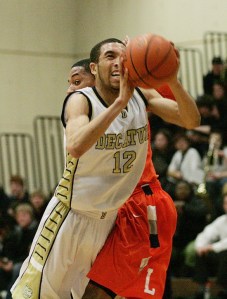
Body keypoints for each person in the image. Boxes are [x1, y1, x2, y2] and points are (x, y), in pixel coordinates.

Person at [11, 38, 200, 299]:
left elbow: (191, 120)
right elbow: (76, 146)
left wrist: (173, 80)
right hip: (73, 214)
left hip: (112, 218)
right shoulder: (81, 101)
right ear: (95, 68)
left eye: (121, 56)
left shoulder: (140, 94)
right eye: (109, 56)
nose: (116, 62)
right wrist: (118, 104)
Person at [193, 193, 227, 299]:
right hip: (221, 255)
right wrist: (200, 247)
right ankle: (201, 289)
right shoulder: (222, 220)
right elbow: (205, 234)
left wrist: (211, 247)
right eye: (226, 203)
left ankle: (224, 290)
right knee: (202, 253)